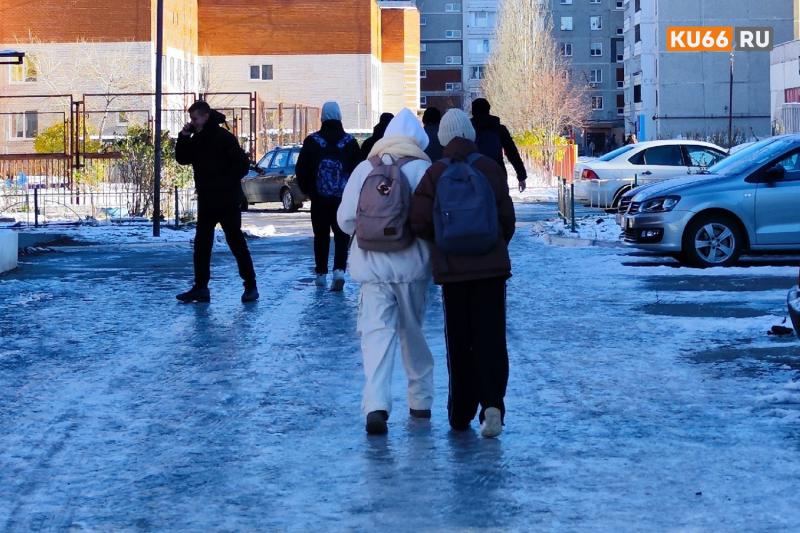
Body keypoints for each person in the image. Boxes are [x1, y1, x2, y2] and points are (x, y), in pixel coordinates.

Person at [410, 109, 515, 439]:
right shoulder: (489, 168)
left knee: (459, 341)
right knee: (491, 338)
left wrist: (444, 243)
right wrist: (492, 245)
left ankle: (460, 412)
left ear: (442, 139)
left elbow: (419, 221)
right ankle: (493, 404)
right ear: (469, 134)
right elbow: (507, 220)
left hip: (453, 273)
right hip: (491, 271)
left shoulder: (435, 173)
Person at [337, 108, 434, 435]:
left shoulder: (366, 167)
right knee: (413, 336)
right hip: (413, 267)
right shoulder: (423, 168)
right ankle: (420, 402)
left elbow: (345, 219)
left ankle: (376, 404)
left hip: (372, 268)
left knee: (376, 337)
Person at [174, 101, 258, 304]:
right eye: (191, 119)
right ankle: (201, 287)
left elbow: (242, 166)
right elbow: (183, 158)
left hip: (226, 199)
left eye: (194, 118)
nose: (192, 122)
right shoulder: (197, 138)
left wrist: (223, 181)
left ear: (205, 116)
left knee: (235, 241)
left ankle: (250, 285)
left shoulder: (223, 138)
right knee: (202, 244)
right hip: (208, 199)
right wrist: (183, 137)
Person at [296, 101, 362, 291]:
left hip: (319, 199)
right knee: (342, 235)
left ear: (322, 117)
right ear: (340, 116)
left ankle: (321, 274)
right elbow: (358, 170)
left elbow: (302, 170)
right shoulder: (349, 142)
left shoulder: (312, 141)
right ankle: (339, 271)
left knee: (321, 236)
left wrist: (310, 191)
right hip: (342, 199)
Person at [470, 98, 527, 192]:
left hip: (473, 176)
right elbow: (512, 153)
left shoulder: (468, 130)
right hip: (497, 173)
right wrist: (521, 176)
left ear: (473, 112)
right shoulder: (499, 129)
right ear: (488, 110)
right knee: (500, 204)